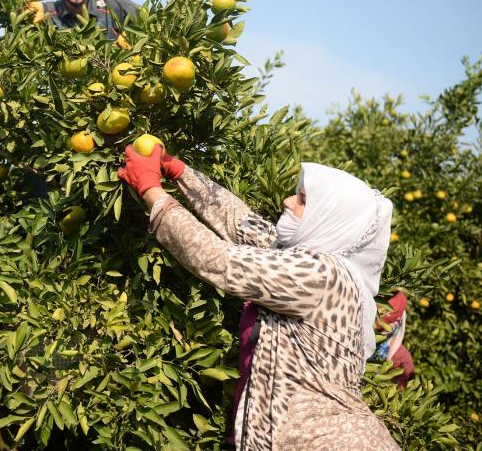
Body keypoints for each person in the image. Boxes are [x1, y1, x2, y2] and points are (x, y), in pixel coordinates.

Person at [117, 146, 401, 450]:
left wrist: (152, 192)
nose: (288, 201)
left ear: (330, 219)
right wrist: (181, 172)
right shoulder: (301, 256)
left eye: (303, 200)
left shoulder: (321, 274)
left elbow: (217, 259)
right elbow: (240, 223)